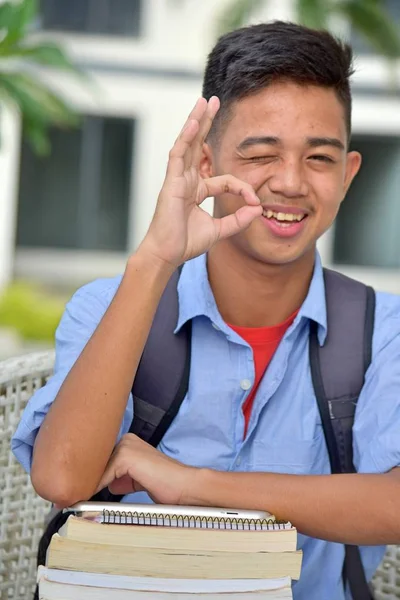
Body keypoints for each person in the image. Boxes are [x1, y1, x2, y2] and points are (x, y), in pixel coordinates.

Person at [12, 21, 400, 600]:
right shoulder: (107, 306)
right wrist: (155, 260)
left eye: (319, 158)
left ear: (347, 175)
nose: (291, 183)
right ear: (205, 162)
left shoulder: (383, 329)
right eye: (261, 153)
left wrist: (192, 484)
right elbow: (62, 478)